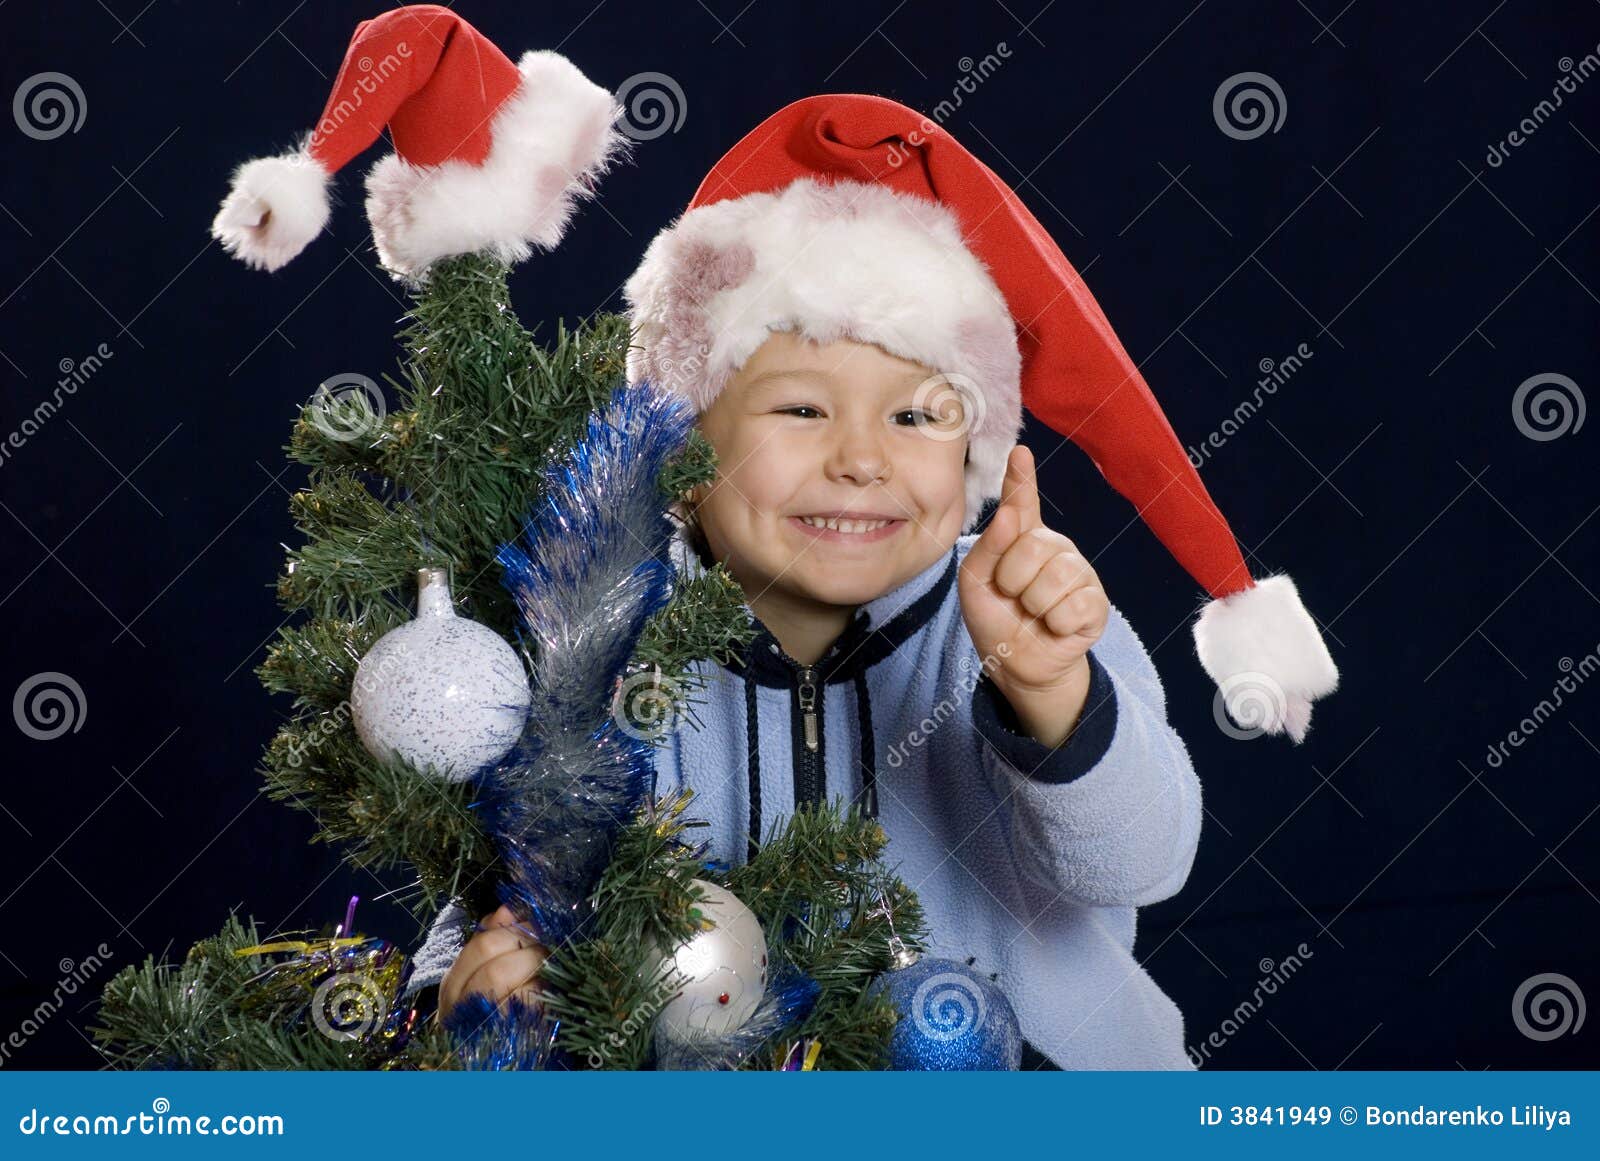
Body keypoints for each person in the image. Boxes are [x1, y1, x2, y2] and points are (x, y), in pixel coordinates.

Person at [409, 93, 1341, 1069]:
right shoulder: (608, 650)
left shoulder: (1037, 624)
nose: (862, 460)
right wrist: (464, 991)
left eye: (917, 417)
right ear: (684, 440)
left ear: (976, 454)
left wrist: (1050, 697)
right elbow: (500, 880)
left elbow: (1145, 859)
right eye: (803, 410)